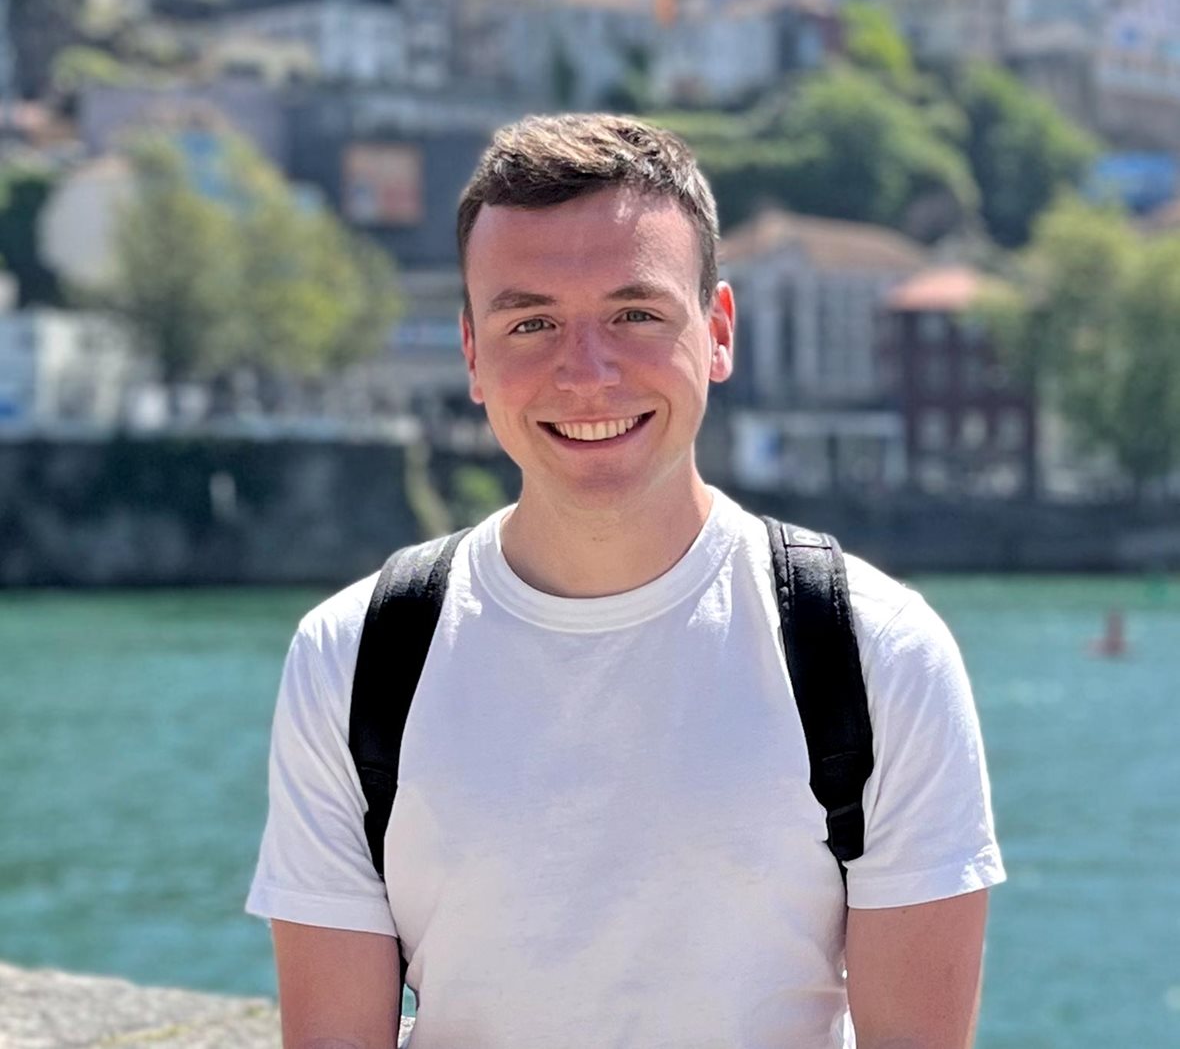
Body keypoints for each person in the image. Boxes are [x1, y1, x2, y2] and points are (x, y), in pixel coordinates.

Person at [246, 113, 1005, 1049]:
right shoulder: (354, 656)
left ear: (717, 332)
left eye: (634, 314)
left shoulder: (876, 651)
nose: (587, 372)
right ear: (474, 356)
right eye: (532, 323)